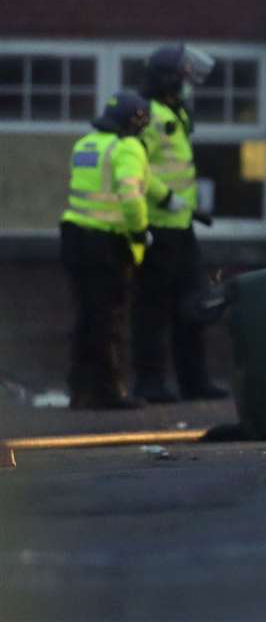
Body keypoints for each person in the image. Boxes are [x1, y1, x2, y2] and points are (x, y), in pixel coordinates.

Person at [131, 44, 223, 403]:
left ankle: (194, 380)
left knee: (193, 304)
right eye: (184, 78)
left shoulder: (176, 111)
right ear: (168, 79)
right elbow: (134, 167)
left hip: (181, 225)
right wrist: (167, 199)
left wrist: (189, 207)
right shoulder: (147, 114)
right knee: (152, 309)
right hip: (156, 227)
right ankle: (149, 383)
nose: (189, 85)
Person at [61, 92, 154, 409]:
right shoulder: (127, 148)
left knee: (86, 317)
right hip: (106, 243)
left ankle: (80, 391)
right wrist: (140, 232)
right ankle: (110, 392)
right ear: (134, 122)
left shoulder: (86, 144)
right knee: (110, 318)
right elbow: (130, 196)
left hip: (74, 237)